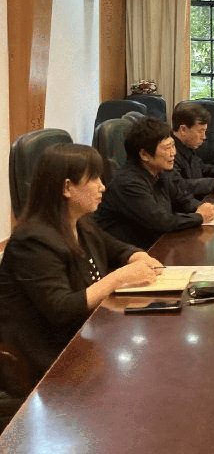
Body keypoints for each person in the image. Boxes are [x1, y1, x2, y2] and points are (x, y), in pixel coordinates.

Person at [0, 144, 164, 387]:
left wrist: (137, 256)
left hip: (85, 337)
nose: (103, 186)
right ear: (67, 187)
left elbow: (114, 248)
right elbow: (61, 309)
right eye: (94, 179)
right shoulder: (33, 241)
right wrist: (119, 278)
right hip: (48, 358)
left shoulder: (81, 222)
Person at [95, 117, 214, 249]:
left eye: (173, 146)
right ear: (144, 154)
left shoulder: (159, 172)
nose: (173, 153)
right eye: (167, 148)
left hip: (155, 246)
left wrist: (205, 208)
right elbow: (162, 222)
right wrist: (199, 217)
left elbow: (182, 200)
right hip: (131, 254)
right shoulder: (128, 183)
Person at [172, 102, 214, 198]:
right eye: (200, 131)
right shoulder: (169, 151)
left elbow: (201, 168)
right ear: (183, 129)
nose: (204, 137)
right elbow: (179, 186)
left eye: (205, 131)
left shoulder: (186, 147)